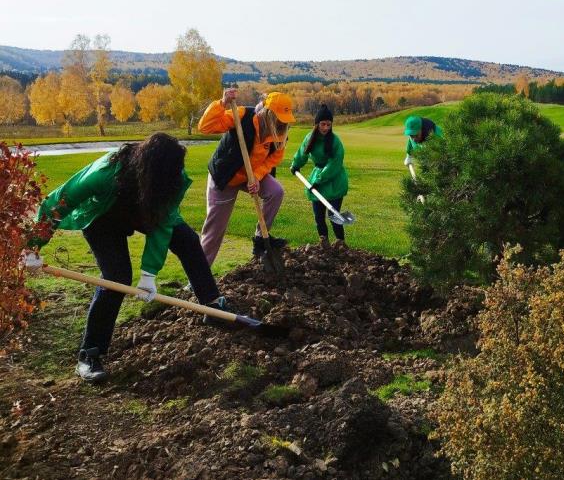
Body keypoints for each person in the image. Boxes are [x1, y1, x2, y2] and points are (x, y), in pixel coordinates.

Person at [29, 133, 228, 383]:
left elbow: (163, 226)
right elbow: (58, 203)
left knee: (187, 240)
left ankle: (212, 305)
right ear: (150, 169)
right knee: (117, 277)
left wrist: (149, 275)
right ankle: (90, 354)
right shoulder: (105, 173)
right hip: (103, 216)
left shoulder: (172, 179)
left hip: (146, 210)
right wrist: (32, 247)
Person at [198, 88, 294, 265]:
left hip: (252, 174)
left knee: (276, 191)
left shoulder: (281, 132)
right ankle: (198, 276)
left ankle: (260, 238)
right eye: (279, 118)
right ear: (267, 113)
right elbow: (205, 127)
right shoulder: (241, 115)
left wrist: (256, 177)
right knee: (215, 229)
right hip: (226, 176)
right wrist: (222, 103)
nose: (282, 123)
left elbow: (275, 157)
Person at [290, 104, 349, 251]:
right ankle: (324, 241)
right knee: (319, 216)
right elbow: (302, 153)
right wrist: (295, 165)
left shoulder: (335, 142)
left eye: (329, 125)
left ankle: (340, 242)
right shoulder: (309, 138)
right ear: (316, 124)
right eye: (323, 124)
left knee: (334, 215)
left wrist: (319, 180)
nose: (325, 128)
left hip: (334, 181)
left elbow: (334, 164)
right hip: (317, 181)